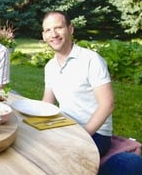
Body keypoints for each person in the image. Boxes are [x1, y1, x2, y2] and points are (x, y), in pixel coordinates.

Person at [41, 11, 114, 156]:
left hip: (95, 132)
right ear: (44, 36)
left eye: (58, 28)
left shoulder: (91, 60)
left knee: (56, 157)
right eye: (48, 30)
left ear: (70, 29)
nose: (53, 34)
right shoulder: (50, 66)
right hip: (65, 126)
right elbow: (47, 103)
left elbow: (107, 104)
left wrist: (82, 135)